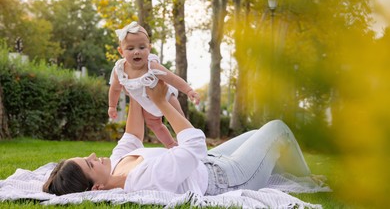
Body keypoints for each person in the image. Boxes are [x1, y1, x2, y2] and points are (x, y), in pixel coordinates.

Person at [43, 80, 325, 196]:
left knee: (254, 135)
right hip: (228, 177)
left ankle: (281, 168)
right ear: (97, 189)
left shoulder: (115, 165)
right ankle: (307, 178)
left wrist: (134, 88)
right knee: (276, 130)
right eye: (91, 164)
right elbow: (193, 143)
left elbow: (132, 134)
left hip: (211, 162)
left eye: (87, 157)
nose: (94, 156)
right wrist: (162, 103)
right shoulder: (141, 181)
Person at [108, 21, 200, 148]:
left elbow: (172, 78)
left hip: (166, 97)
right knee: (154, 124)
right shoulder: (120, 70)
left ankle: (188, 138)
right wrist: (112, 106)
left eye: (142, 47)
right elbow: (115, 89)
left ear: (149, 48)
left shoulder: (152, 66)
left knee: (178, 118)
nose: (136, 52)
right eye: (130, 48)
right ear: (121, 52)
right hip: (146, 103)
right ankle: (171, 144)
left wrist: (189, 90)